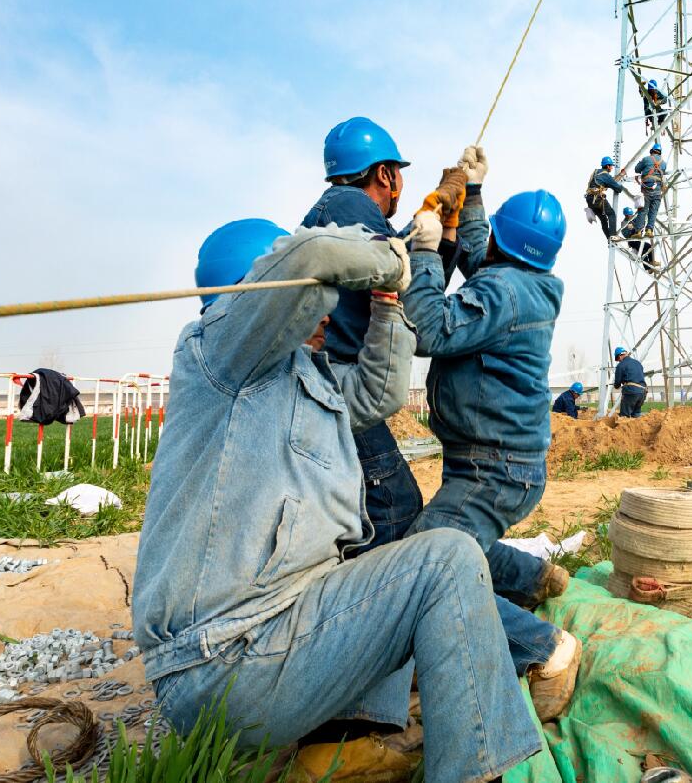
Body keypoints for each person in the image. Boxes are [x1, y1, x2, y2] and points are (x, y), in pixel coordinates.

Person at [132, 219, 540, 782]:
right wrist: (399, 258)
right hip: (223, 661)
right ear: (255, 298)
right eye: (311, 303)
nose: (324, 314)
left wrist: (389, 299)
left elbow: (380, 390)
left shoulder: (306, 380)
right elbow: (312, 254)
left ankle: (343, 747)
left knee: (383, 557)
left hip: (263, 649)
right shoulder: (220, 355)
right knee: (447, 558)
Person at [400, 160, 581, 721]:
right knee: (458, 542)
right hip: (499, 461)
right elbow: (483, 254)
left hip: (493, 469)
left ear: (507, 239)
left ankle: (544, 647)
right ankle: (535, 578)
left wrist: (427, 256)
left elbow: (430, 329)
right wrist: (472, 194)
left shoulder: (503, 291)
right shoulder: (527, 282)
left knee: (427, 558)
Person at [300, 116, 427, 551]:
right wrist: (428, 238)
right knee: (396, 505)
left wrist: (429, 225)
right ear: (384, 174)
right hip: (337, 386)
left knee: (352, 506)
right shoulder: (351, 205)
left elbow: (385, 256)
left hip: (325, 382)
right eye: (399, 175)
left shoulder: (337, 211)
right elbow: (397, 272)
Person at [584, 156, 631, 240]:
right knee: (611, 214)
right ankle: (613, 235)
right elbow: (618, 188)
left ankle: (609, 238)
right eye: (611, 166)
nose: (612, 168)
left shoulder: (596, 172)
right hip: (597, 198)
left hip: (590, 200)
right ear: (608, 166)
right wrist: (621, 185)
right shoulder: (606, 175)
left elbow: (610, 181)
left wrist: (620, 175)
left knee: (603, 219)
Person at [633, 144, 666, 237]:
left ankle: (638, 231)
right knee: (653, 211)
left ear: (652, 151)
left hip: (646, 189)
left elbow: (637, 169)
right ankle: (649, 230)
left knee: (643, 210)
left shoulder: (646, 159)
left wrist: (643, 164)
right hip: (658, 190)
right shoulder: (664, 163)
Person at [619, 206, 658, 271]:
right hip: (632, 241)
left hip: (638, 240)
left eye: (631, 215)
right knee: (642, 250)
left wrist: (641, 212)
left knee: (649, 246)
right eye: (629, 215)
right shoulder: (624, 223)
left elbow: (641, 220)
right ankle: (648, 268)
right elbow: (625, 234)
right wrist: (632, 231)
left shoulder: (634, 219)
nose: (631, 216)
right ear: (626, 215)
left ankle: (651, 261)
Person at [613, 347, 647, 417]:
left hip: (631, 392)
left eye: (618, 359)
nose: (619, 361)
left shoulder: (621, 365)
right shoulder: (638, 363)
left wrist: (616, 385)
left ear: (620, 356)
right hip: (642, 392)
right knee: (636, 415)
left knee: (624, 417)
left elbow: (617, 384)